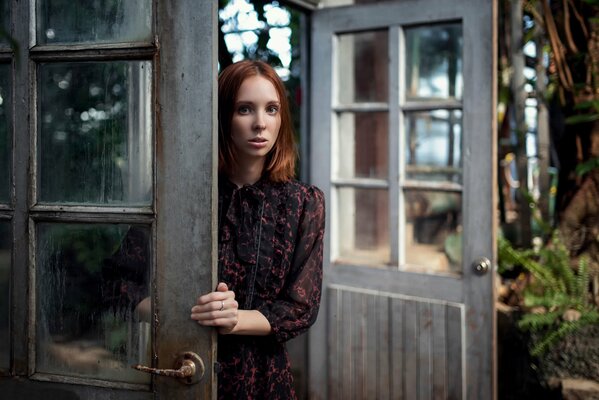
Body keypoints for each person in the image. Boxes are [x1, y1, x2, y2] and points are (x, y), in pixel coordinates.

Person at [190, 60, 325, 399]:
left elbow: (301, 308)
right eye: (244, 109)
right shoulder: (185, 195)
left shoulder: (304, 203)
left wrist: (235, 319)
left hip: (264, 381)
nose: (260, 123)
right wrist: (186, 309)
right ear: (223, 117)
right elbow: (122, 283)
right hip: (186, 366)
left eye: (272, 109)